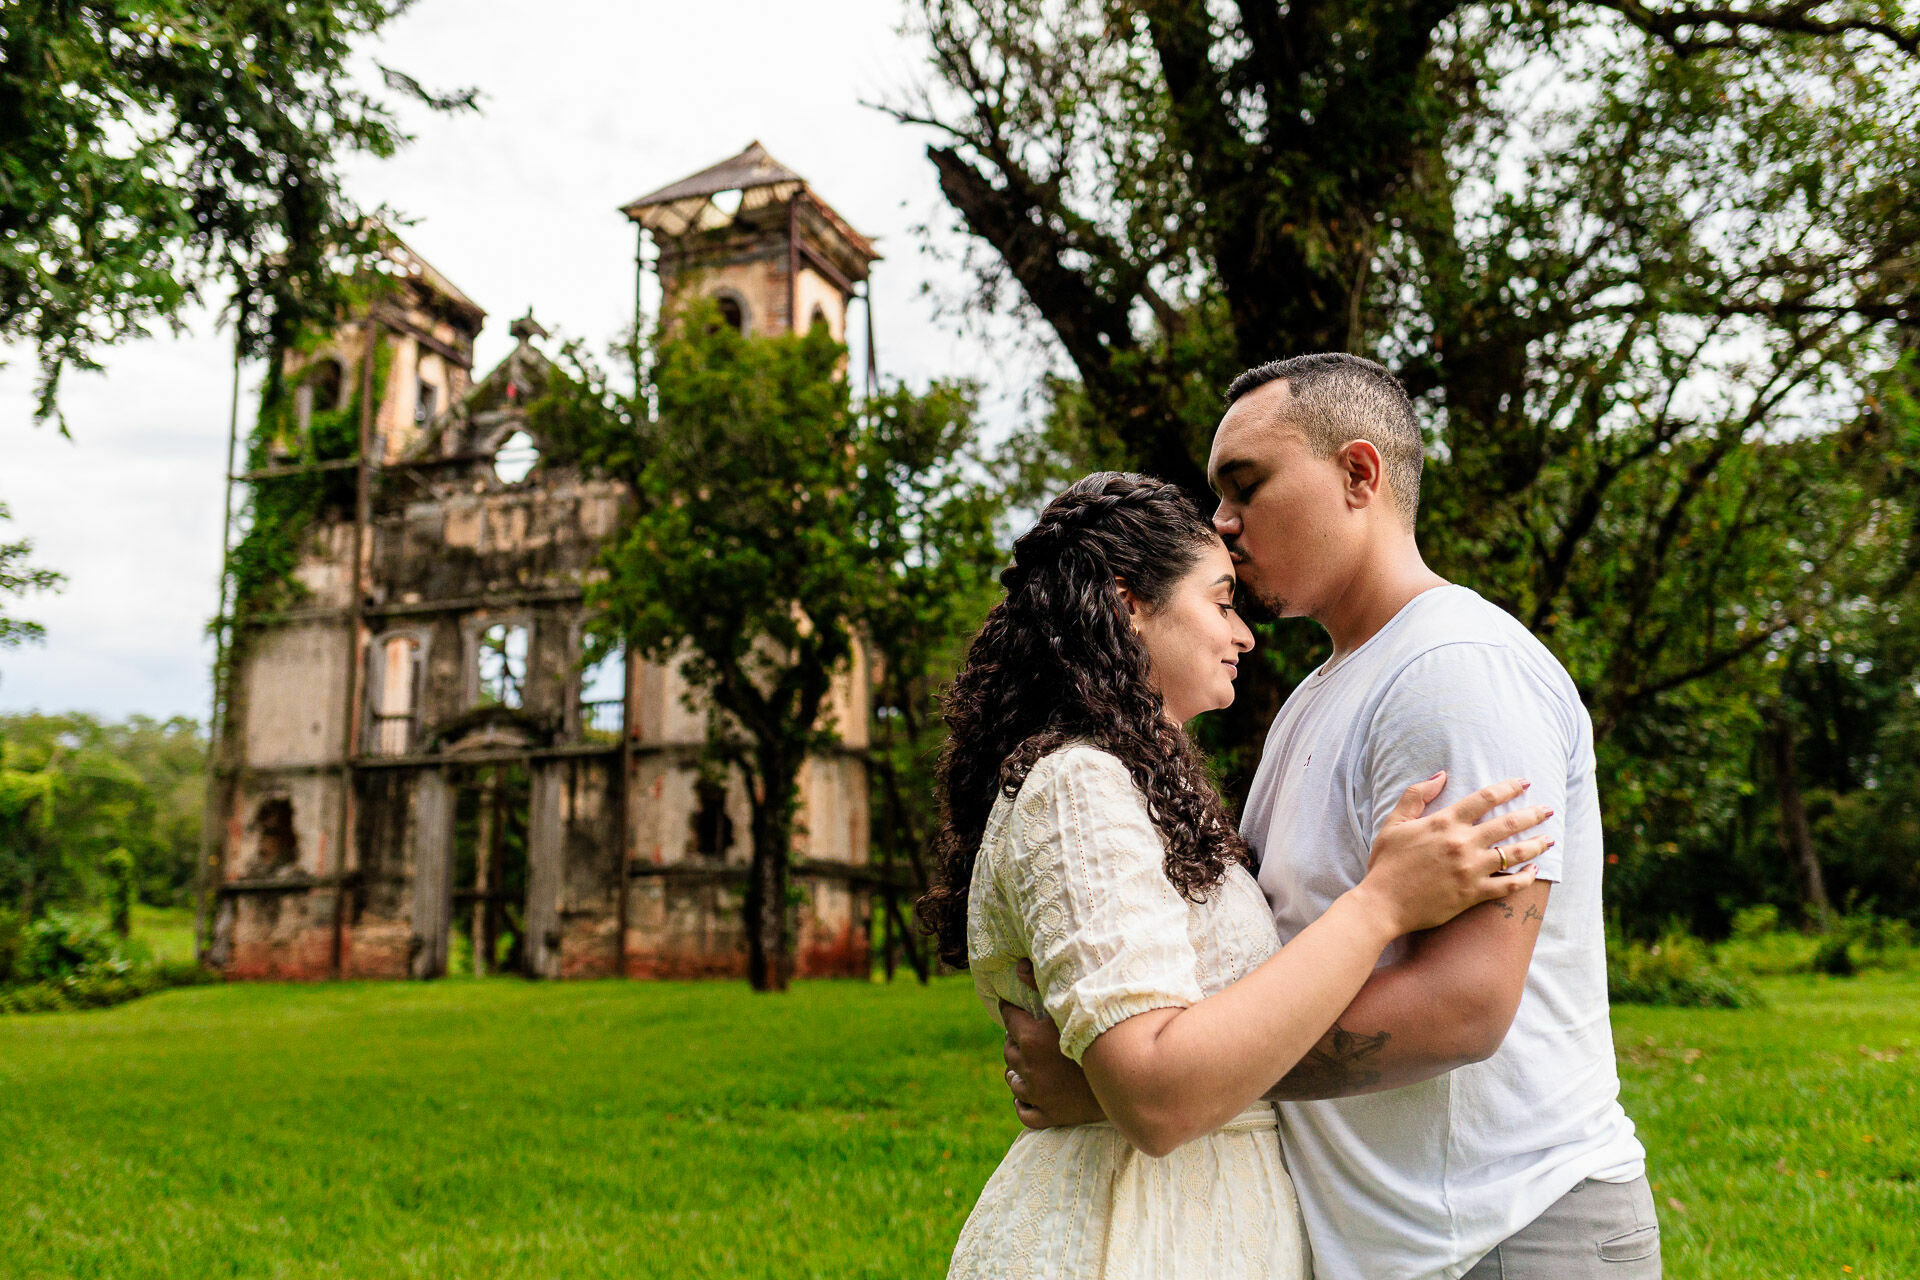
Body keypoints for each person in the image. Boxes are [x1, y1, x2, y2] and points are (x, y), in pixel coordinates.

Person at [1001, 356, 1658, 1279]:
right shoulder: (1316, 698)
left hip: (1507, 1236)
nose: (1221, 526)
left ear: (1360, 475)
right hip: (1389, 1249)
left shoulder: (1455, 670)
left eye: (1245, 487)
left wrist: (1149, 1089)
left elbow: (1466, 1003)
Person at [922, 471, 1555, 1280]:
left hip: (1199, 1222)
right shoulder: (1076, 786)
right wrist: (1382, 904)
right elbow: (1155, 1091)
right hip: (1130, 1235)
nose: (1244, 634)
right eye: (1220, 602)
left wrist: (1098, 1087)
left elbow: (1173, 1061)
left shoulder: (1140, 782)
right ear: (1127, 606)